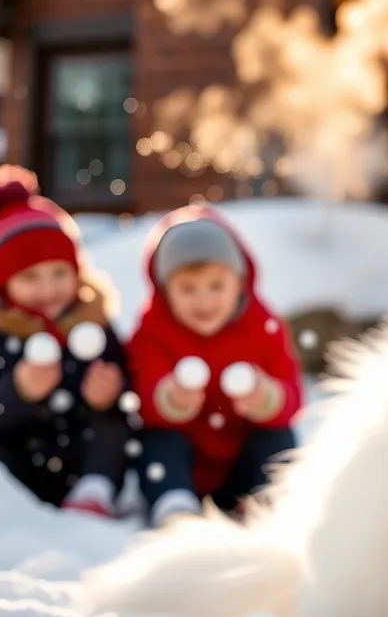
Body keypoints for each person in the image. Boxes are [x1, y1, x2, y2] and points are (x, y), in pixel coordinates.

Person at [0, 165, 134, 518]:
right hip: (12, 462)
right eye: (29, 277)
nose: (48, 289)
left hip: (78, 461)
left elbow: (131, 388)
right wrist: (16, 394)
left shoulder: (92, 322)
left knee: (112, 427)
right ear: (1, 282)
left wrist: (111, 392)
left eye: (60, 273)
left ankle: (93, 494)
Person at [125, 204, 304, 527]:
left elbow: (292, 395)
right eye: (188, 289)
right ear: (165, 291)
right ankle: (174, 505)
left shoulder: (263, 326)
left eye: (216, 285)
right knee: (157, 440)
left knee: (277, 435)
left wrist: (266, 397)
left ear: (239, 282)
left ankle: (267, 500)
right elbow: (143, 394)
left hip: (241, 463)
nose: (204, 301)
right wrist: (169, 399)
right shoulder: (152, 331)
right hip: (184, 467)